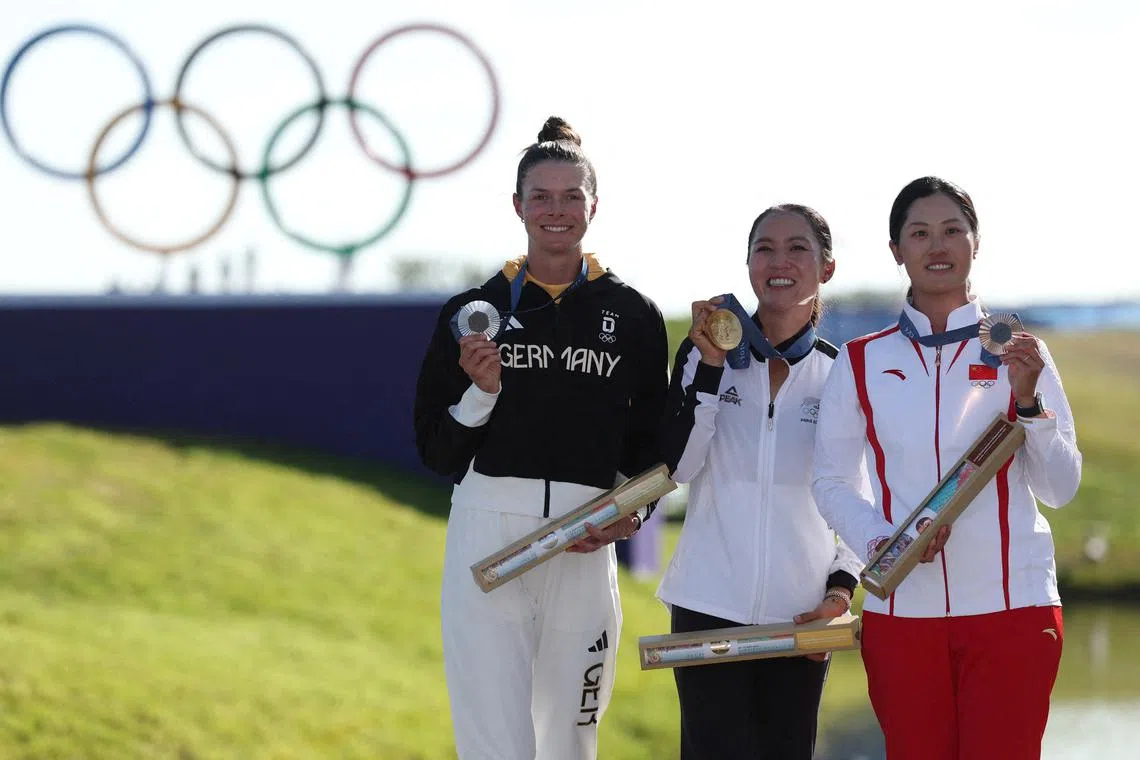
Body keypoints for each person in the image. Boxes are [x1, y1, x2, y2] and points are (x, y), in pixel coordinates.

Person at [413, 116, 669, 760]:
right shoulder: (472, 313)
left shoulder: (633, 313)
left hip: (587, 539)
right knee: (495, 738)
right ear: (518, 206)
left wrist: (629, 513)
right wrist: (482, 393)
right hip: (489, 530)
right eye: (541, 197)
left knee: (572, 737)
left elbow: (652, 443)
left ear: (593, 206)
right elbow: (436, 451)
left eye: (570, 197)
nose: (556, 211)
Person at [811, 176, 1082, 760]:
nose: (938, 245)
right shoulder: (862, 358)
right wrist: (889, 541)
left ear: (975, 243)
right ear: (896, 251)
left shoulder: (1021, 353)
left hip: (1014, 610)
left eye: (952, 230)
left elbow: (1060, 488)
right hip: (903, 612)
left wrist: (1030, 403)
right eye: (920, 233)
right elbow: (831, 481)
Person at [657, 204, 864, 759]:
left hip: (800, 614)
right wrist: (708, 368)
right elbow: (677, 469)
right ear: (748, 263)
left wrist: (840, 591)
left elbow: (857, 497)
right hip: (706, 602)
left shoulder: (842, 373)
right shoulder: (706, 352)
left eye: (798, 248)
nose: (779, 261)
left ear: (827, 267)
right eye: (764, 248)